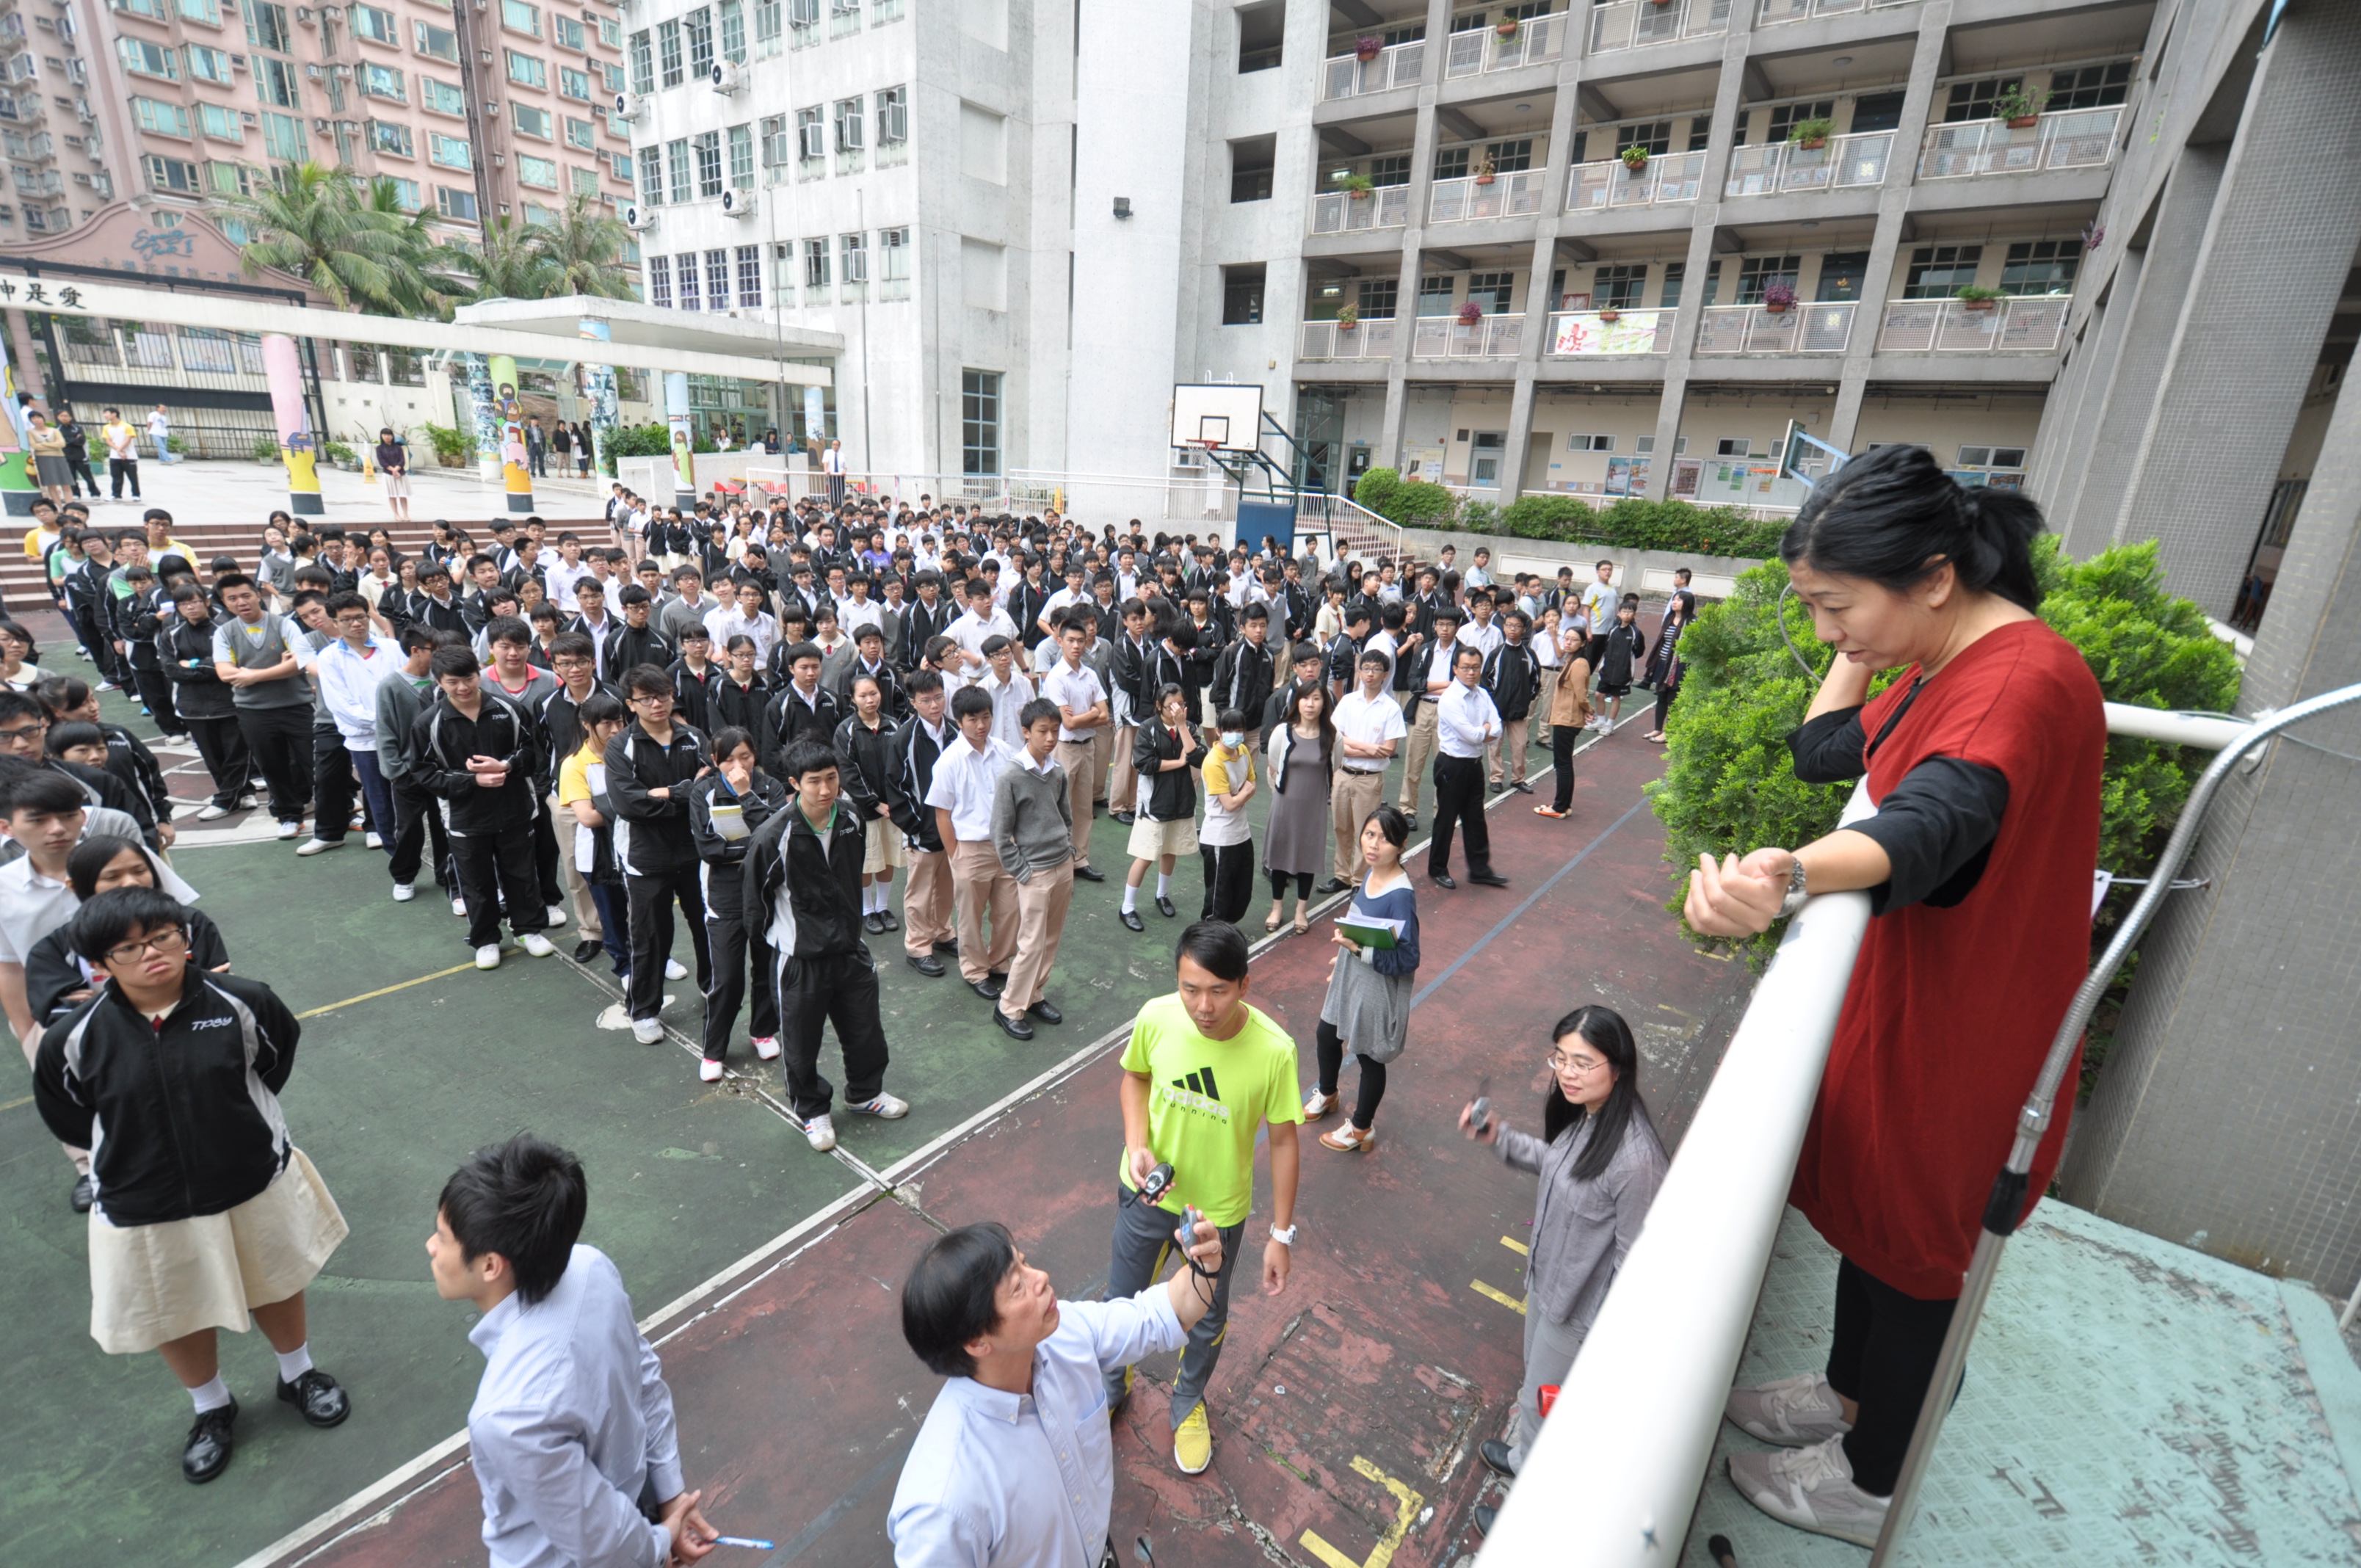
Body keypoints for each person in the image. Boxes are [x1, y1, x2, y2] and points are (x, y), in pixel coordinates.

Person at [1684, 445, 2103, 1548]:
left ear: (1934, 577)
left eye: (1836, 606)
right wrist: (1856, 635)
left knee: (1918, 1260)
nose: (1827, 633)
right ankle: (1847, 1395)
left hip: (1971, 1035)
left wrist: (1788, 878)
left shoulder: (2016, 682)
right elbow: (1827, 749)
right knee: (1876, 1230)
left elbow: (1930, 825)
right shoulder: (1943, 658)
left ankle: (1875, 1478)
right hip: (1927, 1003)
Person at [34, 885, 351, 1486]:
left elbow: (272, 1062)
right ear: (100, 964)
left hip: (248, 1176)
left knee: (276, 1281)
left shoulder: (244, 1002)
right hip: (142, 1198)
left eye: (163, 937)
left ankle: (298, 1374)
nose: (152, 954)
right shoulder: (72, 1038)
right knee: (173, 1308)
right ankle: (211, 1407)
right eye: (129, 948)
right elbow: (70, 1115)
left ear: (185, 938)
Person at [427, 1135, 719, 1567]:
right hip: (638, 1501)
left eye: (442, 1237)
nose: (431, 1247)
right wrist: (670, 1495)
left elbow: (604, 1543)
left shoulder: (508, 1414)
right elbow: (644, 1378)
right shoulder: (589, 1266)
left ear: (490, 1265)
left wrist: (658, 1545)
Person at [888, 1214, 1228, 1567]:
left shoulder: (1063, 1334)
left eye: (1024, 1263)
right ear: (976, 1342)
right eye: (1017, 1287)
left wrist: (1206, 1265)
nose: (1040, 1277)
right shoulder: (942, 1506)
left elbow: (1160, 1314)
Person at [1460, 1006, 1668, 1534]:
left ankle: (1528, 1515)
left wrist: (1600, 1339)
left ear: (1618, 1067)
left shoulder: (1637, 1161)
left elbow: (1636, 1265)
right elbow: (1558, 1165)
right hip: (1549, 1288)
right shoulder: (1592, 1116)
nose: (1568, 1074)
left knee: (1547, 1405)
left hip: (1578, 1316)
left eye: (1583, 1062)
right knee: (1537, 1392)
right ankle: (1524, 1458)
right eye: (1561, 1058)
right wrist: (1499, 1137)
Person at [1102, 921, 1300, 1475]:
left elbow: (1285, 1141)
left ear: (1244, 985)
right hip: (1147, 1198)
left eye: (1218, 990)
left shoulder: (1274, 1051)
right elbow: (1135, 1078)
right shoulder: (1157, 1017)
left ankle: (1188, 1400)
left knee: (1208, 1320)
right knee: (1121, 1301)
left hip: (1217, 1215)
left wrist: (1281, 1235)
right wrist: (1136, 1145)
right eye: (1190, 989)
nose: (1203, 1006)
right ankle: (1112, 1383)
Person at [744, 739, 911, 1152]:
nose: (825, 790)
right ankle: (812, 1110)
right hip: (800, 960)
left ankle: (865, 1093)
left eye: (832, 779)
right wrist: (787, 941)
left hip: (849, 951)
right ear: (794, 784)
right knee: (801, 1044)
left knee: (866, 1032)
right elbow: (755, 905)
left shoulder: (851, 818)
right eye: (814, 781)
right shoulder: (773, 836)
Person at [413, 645, 556, 969]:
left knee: (522, 874)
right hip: (466, 817)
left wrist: (506, 766)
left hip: (515, 809)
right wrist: (472, 781)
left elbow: (533, 752)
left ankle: (527, 930)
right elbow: (424, 773)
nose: (462, 687)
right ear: (439, 682)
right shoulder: (429, 723)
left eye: (468, 678)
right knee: (476, 882)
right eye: (452, 682)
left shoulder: (509, 709)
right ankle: (486, 939)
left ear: (479, 674)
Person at [606, 664, 713, 1045]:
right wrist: (683, 793)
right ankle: (644, 1010)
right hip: (646, 857)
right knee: (650, 935)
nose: (657, 704)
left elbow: (710, 790)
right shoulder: (621, 746)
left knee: (708, 927)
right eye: (647, 698)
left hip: (696, 850)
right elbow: (629, 804)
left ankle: (713, 988)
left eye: (663, 695)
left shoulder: (694, 737)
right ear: (631, 704)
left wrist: (664, 793)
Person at [1302, 804, 1418, 1153]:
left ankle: (1361, 1128)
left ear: (1401, 845)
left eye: (1385, 839)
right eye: (1369, 834)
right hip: (1353, 968)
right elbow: (1362, 923)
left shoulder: (1401, 896)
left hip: (1377, 983)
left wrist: (1356, 951)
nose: (1373, 844)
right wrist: (1343, 959)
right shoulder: (1371, 873)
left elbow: (1409, 958)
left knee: (1369, 1057)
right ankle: (1328, 1093)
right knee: (1327, 1034)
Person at [21, 835, 227, 1028]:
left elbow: (221, 989)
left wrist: (97, 1004)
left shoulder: (192, 923)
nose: (131, 882)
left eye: (139, 871)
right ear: (74, 886)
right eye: (112, 876)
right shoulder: (53, 950)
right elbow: (61, 1019)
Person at [687, 725, 785, 1080]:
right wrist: (751, 848)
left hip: (765, 892)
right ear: (715, 761)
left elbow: (776, 838)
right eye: (729, 759)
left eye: (745, 757)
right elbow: (709, 849)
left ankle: (763, 1031)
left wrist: (746, 795)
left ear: (755, 755)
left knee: (767, 968)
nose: (738, 766)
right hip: (724, 896)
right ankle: (713, 1050)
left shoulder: (770, 787)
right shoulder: (704, 792)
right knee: (727, 977)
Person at [986, 697, 1075, 1042]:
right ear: (1026, 732)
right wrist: (1022, 872)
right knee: (1031, 944)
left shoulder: (1057, 771)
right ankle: (1009, 1007)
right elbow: (1000, 833)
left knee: (1051, 940)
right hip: (1034, 872)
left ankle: (1035, 994)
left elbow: (1066, 817)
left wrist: (1069, 851)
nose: (1050, 738)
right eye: (1042, 731)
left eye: (1055, 730)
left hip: (1062, 865)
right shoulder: (1011, 775)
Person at [927, 684, 1020, 1002]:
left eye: (986, 717)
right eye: (973, 719)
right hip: (970, 848)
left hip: (1005, 846)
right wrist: (956, 855)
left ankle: (999, 961)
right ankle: (976, 970)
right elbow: (943, 815)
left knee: (1010, 911)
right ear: (959, 721)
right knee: (970, 917)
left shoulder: (1005, 751)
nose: (981, 725)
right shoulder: (949, 762)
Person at [211, 573, 315, 842]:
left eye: (246, 595)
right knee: (272, 765)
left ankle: (342, 809)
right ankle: (289, 816)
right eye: (232, 598)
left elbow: (299, 662)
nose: (241, 602)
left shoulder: (284, 624)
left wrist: (253, 676)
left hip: (297, 705)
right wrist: (279, 669)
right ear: (225, 603)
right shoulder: (224, 633)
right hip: (253, 711)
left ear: (259, 595)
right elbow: (225, 672)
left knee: (315, 760)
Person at [1120, 685, 1206, 933]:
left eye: (1181, 704)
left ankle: (1162, 895)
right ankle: (1127, 907)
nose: (1177, 710)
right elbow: (1144, 763)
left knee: (1171, 850)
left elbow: (1198, 758)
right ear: (1159, 706)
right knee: (1146, 855)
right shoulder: (1148, 728)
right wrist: (1178, 763)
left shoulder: (1188, 727)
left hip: (1182, 801)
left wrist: (1182, 726)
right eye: (1171, 706)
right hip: (1155, 803)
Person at [891, 669, 957, 978]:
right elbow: (896, 788)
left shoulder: (955, 731)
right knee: (919, 892)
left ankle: (943, 932)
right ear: (913, 703)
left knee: (947, 886)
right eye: (927, 700)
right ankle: (918, 947)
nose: (935, 705)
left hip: (954, 829)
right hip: (923, 831)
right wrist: (917, 827)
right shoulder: (905, 739)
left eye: (939, 697)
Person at [1040, 613, 1110, 884]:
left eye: (1081, 640)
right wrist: (1090, 714)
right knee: (1061, 807)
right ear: (1060, 642)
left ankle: (1080, 859)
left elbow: (1105, 715)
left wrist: (1083, 717)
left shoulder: (1090, 675)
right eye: (1071, 640)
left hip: (1086, 746)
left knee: (1083, 808)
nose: (1076, 646)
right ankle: (1058, 860)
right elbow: (1067, 723)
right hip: (1064, 748)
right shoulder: (1056, 678)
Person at [1429, 646, 1507, 890]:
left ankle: (1479, 870)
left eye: (1475, 667)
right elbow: (1474, 735)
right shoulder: (1450, 699)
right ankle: (1437, 869)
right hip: (1452, 766)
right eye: (1466, 668)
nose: (1471, 672)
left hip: (1474, 765)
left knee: (1475, 818)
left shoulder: (1482, 694)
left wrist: (1483, 732)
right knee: (1446, 818)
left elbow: (1498, 727)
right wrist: (1485, 730)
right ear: (1455, 669)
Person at [835, 672, 907, 934]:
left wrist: (895, 802)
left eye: (874, 693)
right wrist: (874, 803)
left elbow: (901, 765)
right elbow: (848, 772)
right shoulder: (846, 730)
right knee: (865, 860)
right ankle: (867, 910)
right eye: (863, 695)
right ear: (853, 699)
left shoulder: (893, 725)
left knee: (887, 857)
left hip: (892, 808)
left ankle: (883, 907)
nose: (870, 700)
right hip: (863, 809)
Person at [1261, 680, 1335, 934]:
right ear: (1297, 702)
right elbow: (1274, 760)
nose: (1310, 704)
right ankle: (1277, 907)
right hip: (1285, 804)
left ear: (1324, 703)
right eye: (1305, 698)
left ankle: (1301, 911)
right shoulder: (1283, 732)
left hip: (1314, 808)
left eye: (1316, 699)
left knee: (1307, 858)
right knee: (1280, 856)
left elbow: (1335, 765)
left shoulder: (1332, 736)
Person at [1197, 708, 1258, 927]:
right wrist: (1243, 793)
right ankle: (1210, 936)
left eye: (1240, 730)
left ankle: (1227, 933)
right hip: (1220, 838)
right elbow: (1230, 804)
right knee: (1218, 900)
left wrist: (1239, 795)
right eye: (1230, 730)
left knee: (1242, 895)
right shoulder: (1213, 762)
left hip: (1242, 834)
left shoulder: (1242, 750)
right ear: (1219, 731)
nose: (1236, 735)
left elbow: (1253, 785)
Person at [1535, 620, 1595, 821]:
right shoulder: (1572, 660)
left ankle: (1560, 806)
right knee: (1563, 763)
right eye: (1566, 639)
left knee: (1562, 764)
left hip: (1567, 720)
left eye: (1573, 640)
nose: (1568, 643)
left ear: (1583, 643)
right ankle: (1564, 805)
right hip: (1564, 718)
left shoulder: (1578, 664)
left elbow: (1581, 694)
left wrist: (1589, 709)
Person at [1483, 610, 1541, 793]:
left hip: (1519, 710)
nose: (1513, 629)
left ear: (1524, 629)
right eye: (1509, 625)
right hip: (1497, 710)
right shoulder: (1497, 653)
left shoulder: (1529, 654)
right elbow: (1486, 681)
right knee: (1495, 746)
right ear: (1504, 627)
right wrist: (1494, 701)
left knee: (1520, 746)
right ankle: (1496, 778)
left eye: (1517, 626)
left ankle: (1518, 779)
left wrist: (1526, 699)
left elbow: (1536, 681)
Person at [1641, 567, 1696, 744]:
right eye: (1674, 599)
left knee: (1673, 699)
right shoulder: (1669, 619)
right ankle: (1658, 728)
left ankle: (1669, 732)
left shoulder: (1692, 622)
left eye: (1679, 600)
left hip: (1679, 666)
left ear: (1687, 603)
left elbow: (1693, 647)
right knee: (1661, 696)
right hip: (1663, 663)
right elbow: (1662, 642)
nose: (1675, 602)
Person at [1592, 595, 1647, 733]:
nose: (1626, 614)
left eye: (1630, 612)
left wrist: (1625, 662)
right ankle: (1601, 721)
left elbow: (1639, 651)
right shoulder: (1613, 630)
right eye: (1624, 611)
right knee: (1599, 695)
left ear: (1634, 615)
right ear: (1619, 613)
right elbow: (1606, 647)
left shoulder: (1635, 633)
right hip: (1607, 670)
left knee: (1615, 697)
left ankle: (1610, 725)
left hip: (1623, 672)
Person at [101, 408, 141, 501]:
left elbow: (128, 440)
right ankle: (116, 494)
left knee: (132, 477)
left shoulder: (127, 426)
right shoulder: (106, 427)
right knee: (116, 477)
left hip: (129, 456)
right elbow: (108, 441)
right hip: (114, 456)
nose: (104, 415)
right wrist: (118, 451)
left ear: (114, 414)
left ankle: (136, 495)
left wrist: (120, 450)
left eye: (106, 413)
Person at [374, 428, 411, 524]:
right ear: (381, 436)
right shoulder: (379, 448)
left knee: (403, 495)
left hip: (400, 473)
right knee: (392, 495)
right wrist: (392, 470)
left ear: (392, 436)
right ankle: (396, 514)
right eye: (385, 435)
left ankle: (406, 514)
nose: (387, 437)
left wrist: (396, 469)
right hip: (388, 474)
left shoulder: (398, 448)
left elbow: (402, 460)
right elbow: (382, 462)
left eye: (389, 435)